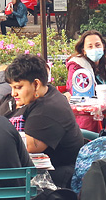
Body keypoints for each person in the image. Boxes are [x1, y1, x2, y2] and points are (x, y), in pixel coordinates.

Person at [5, 53, 85, 187]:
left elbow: (30, 147)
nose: (13, 94)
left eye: (18, 87)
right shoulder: (23, 99)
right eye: (12, 87)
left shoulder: (50, 107)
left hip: (55, 177)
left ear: (36, 84)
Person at [66, 30, 106, 132]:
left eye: (97, 45)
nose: (94, 49)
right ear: (83, 50)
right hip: (87, 118)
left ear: (103, 46)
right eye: (90, 46)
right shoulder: (76, 66)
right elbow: (75, 92)